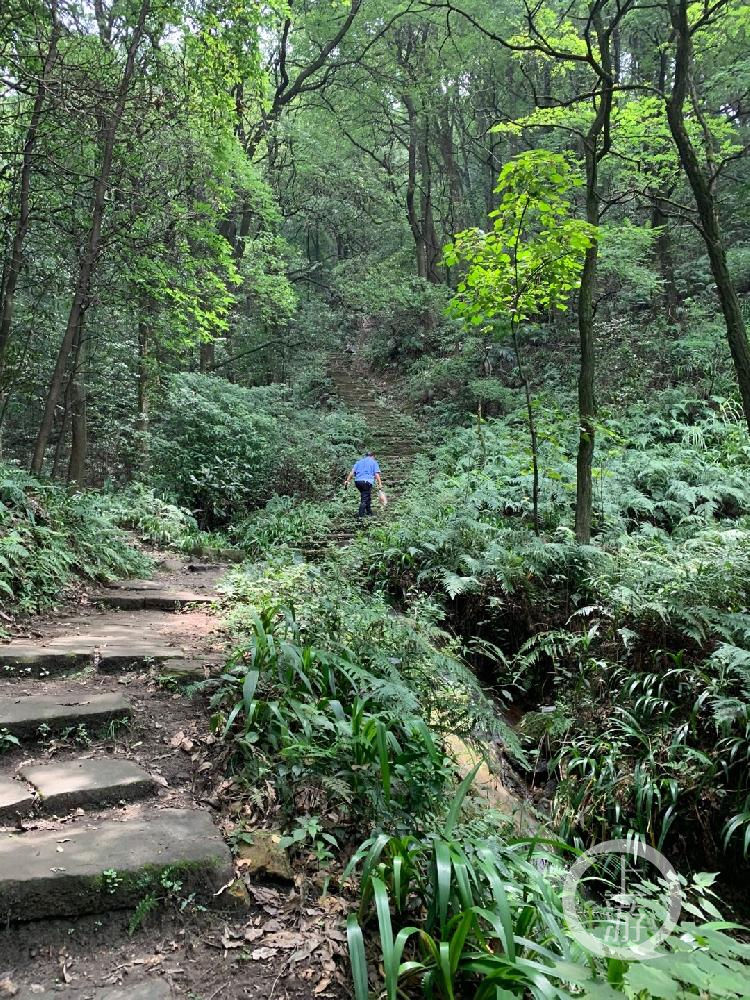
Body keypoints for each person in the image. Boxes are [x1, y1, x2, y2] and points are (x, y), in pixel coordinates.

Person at [344, 451, 382, 517]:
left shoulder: (359, 462)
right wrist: (380, 484)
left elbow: (352, 472)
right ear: (373, 456)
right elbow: (376, 474)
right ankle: (360, 516)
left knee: (367, 496)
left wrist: (347, 481)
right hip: (366, 482)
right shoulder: (373, 462)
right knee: (364, 499)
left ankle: (369, 512)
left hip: (358, 482)